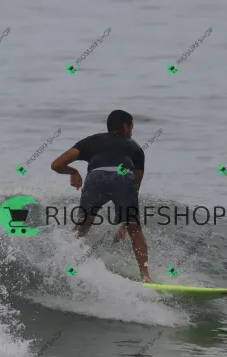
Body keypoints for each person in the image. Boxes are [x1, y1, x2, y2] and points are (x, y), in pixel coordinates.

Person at [50, 110, 152, 283]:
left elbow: (56, 164)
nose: (132, 131)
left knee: (82, 226)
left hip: (96, 177)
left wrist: (73, 172)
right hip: (123, 177)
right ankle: (145, 276)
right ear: (125, 127)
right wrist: (124, 224)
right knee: (135, 229)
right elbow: (135, 187)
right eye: (132, 127)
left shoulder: (90, 141)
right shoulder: (135, 148)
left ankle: (66, 263)